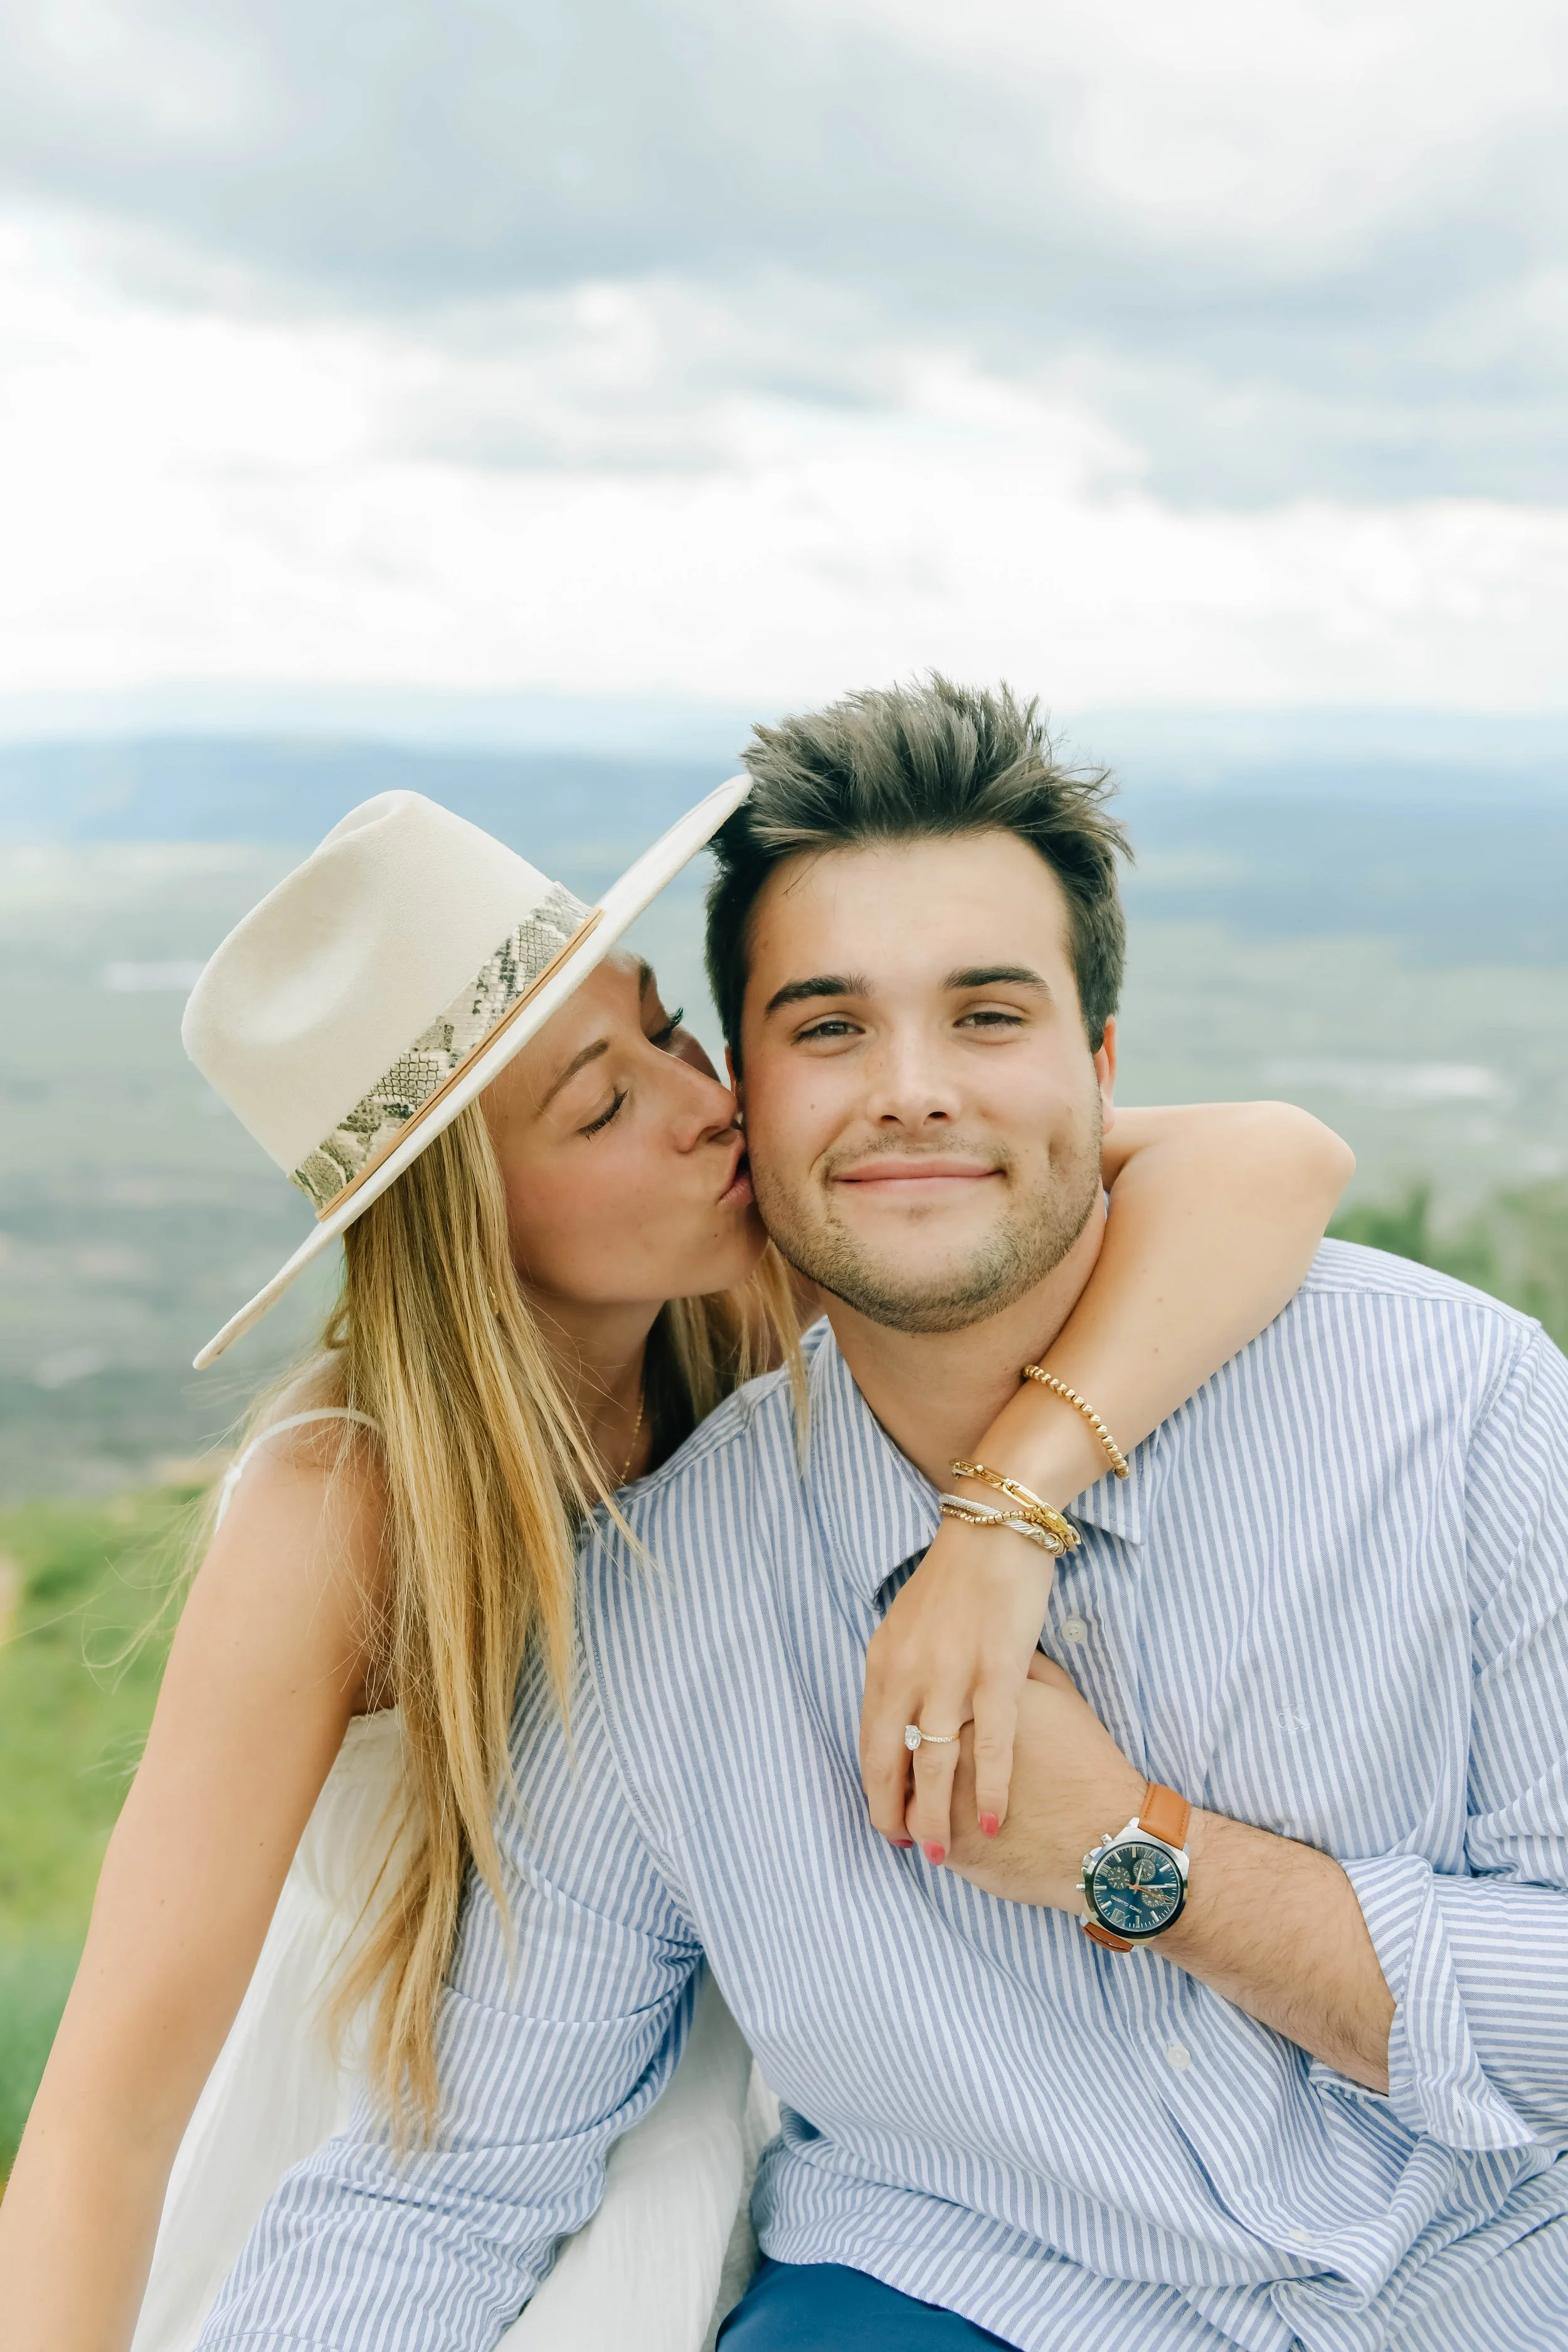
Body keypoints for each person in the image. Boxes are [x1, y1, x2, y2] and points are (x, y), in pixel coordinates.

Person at [189, 678, 1568, 2352]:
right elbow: (450, 2179)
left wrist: (1139, 1858)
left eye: (986, 1015)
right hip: (980, 2294)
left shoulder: (1458, 1406)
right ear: (746, 1111)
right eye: (829, 1027)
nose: (910, 1088)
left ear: (1102, 1063)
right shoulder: (652, 1599)